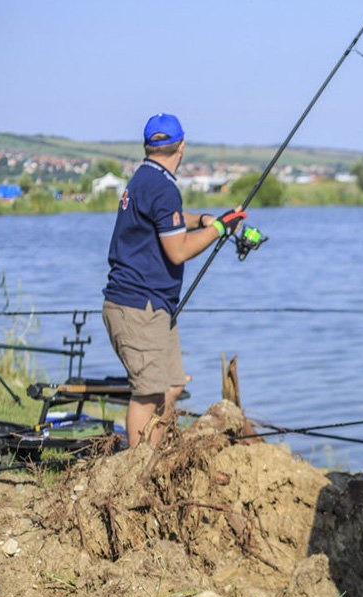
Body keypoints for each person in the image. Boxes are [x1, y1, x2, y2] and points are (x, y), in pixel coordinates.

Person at [101, 112, 248, 448]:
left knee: (172, 384)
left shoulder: (144, 178)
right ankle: (136, 470)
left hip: (153, 306)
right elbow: (178, 251)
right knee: (148, 392)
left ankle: (157, 454)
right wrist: (219, 229)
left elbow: (170, 221)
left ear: (147, 146)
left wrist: (206, 219)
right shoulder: (163, 188)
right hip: (139, 306)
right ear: (182, 146)